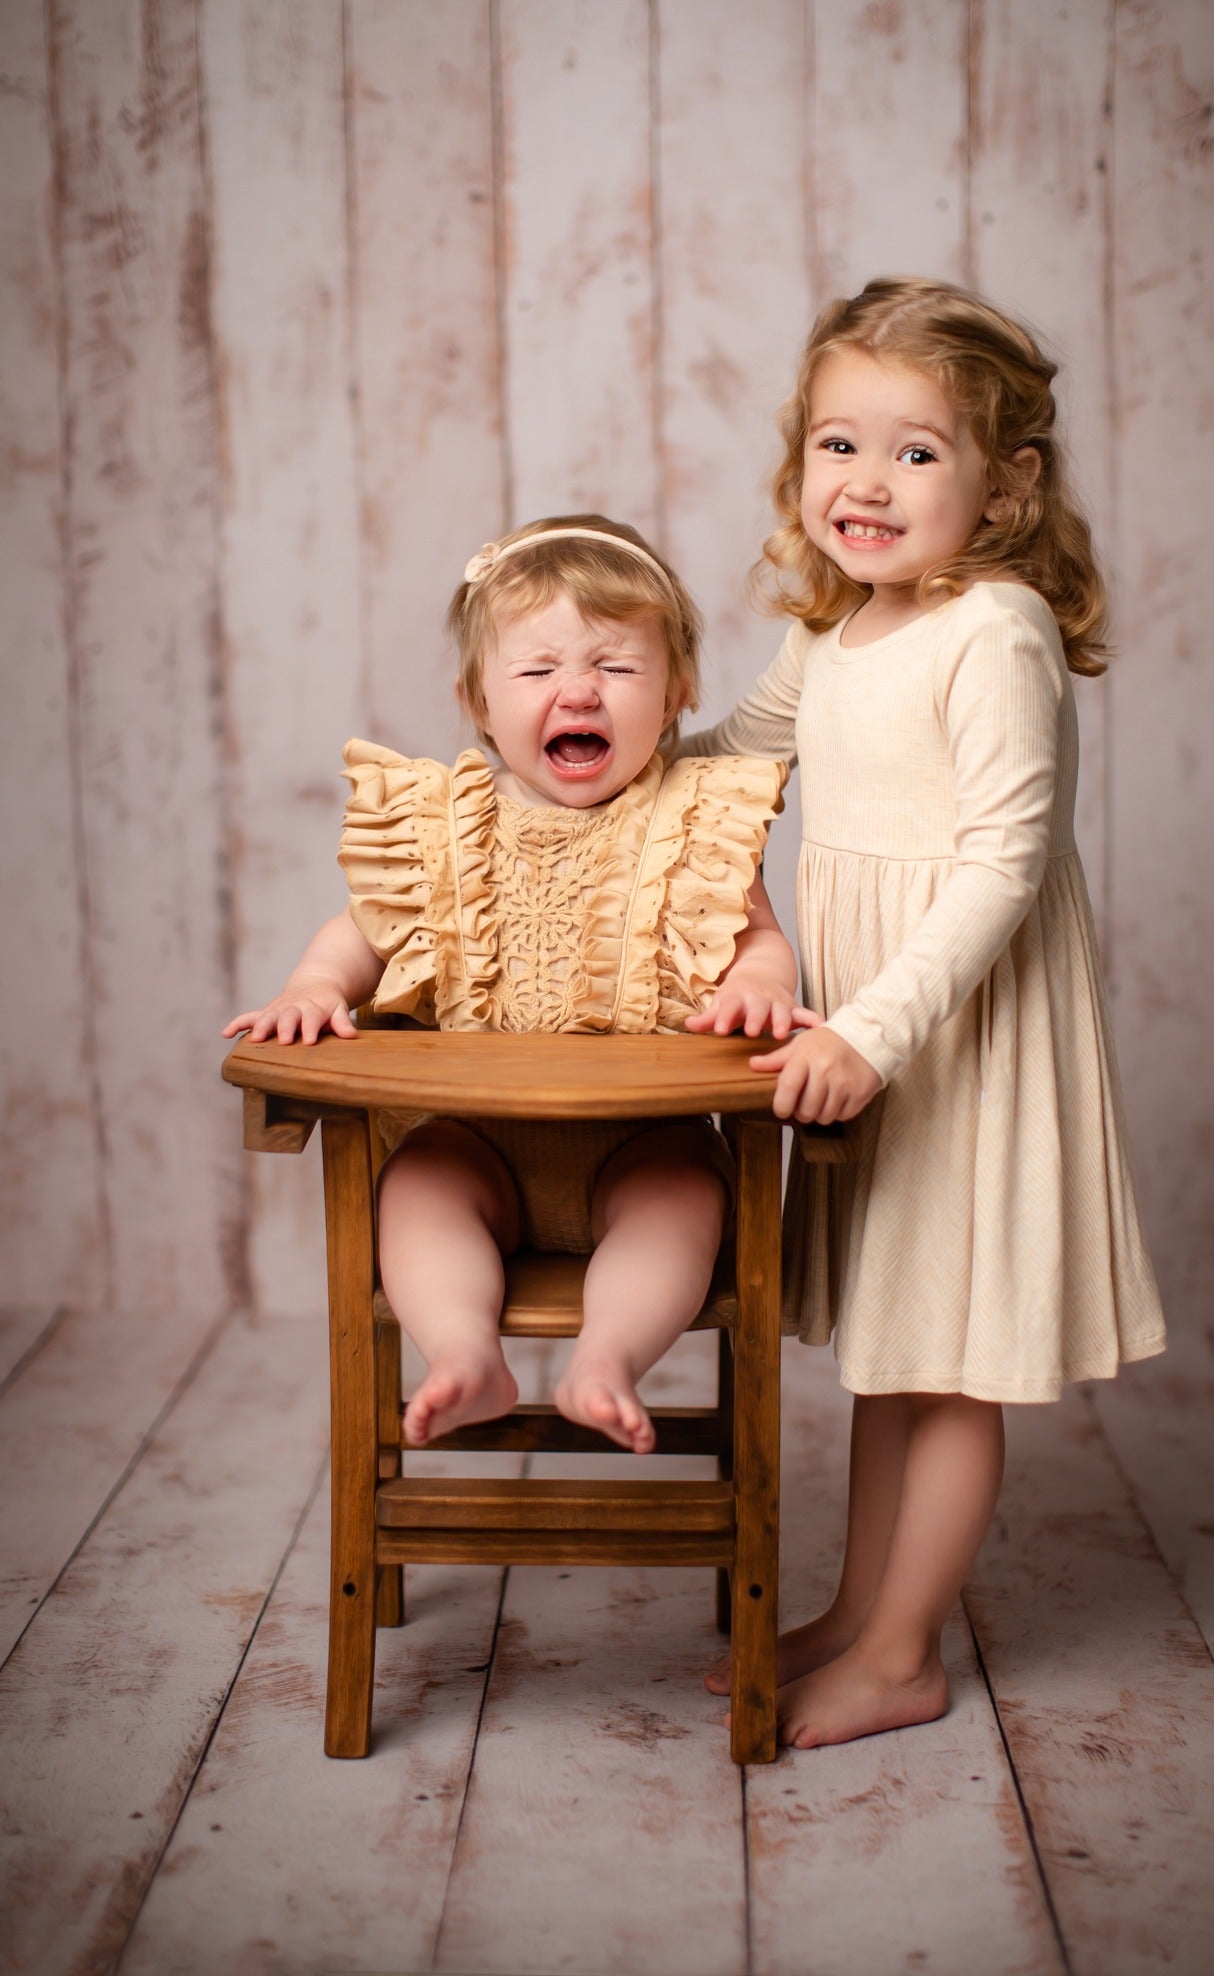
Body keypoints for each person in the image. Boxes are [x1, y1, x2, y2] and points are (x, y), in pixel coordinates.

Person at [686, 277, 1165, 1748]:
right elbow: (730, 764)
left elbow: (1004, 866)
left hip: (959, 1034)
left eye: (916, 451)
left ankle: (902, 1655)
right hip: (875, 1036)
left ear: (1004, 485)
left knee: (951, 1363)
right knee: (894, 1343)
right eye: (839, 445)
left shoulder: (993, 629)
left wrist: (869, 1032)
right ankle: (858, 1612)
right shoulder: (834, 630)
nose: (868, 482)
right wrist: (584, 744)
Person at [224, 515, 810, 1457]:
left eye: (616, 666)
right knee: (416, 1189)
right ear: (478, 702)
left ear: (675, 695)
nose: (577, 690)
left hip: (644, 1140)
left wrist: (761, 987)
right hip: (475, 1140)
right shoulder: (440, 826)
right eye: (536, 670)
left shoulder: (695, 824)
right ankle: (464, 1354)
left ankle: (606, 1361)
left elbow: (758, 939)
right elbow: (363, 934)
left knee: (683, 1199)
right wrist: (315, 986)